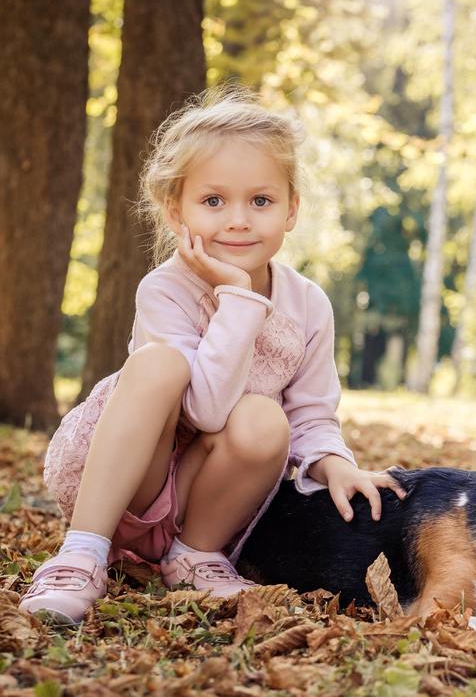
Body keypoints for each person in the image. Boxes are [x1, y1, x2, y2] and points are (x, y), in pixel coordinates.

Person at [20, 87, 403, 624]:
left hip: (211, 496)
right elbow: (203, 409)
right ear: (177, 212)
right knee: (160, 364)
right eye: (214, 201)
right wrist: (239, 298)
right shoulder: (165, 289)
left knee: (265, 418)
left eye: (261, 201)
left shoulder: (308, 303)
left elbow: (312, 413)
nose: (239, 220)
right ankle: (82, 554)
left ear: (292, 210)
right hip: (133, 485)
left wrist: (336, 463)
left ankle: (194, 557)